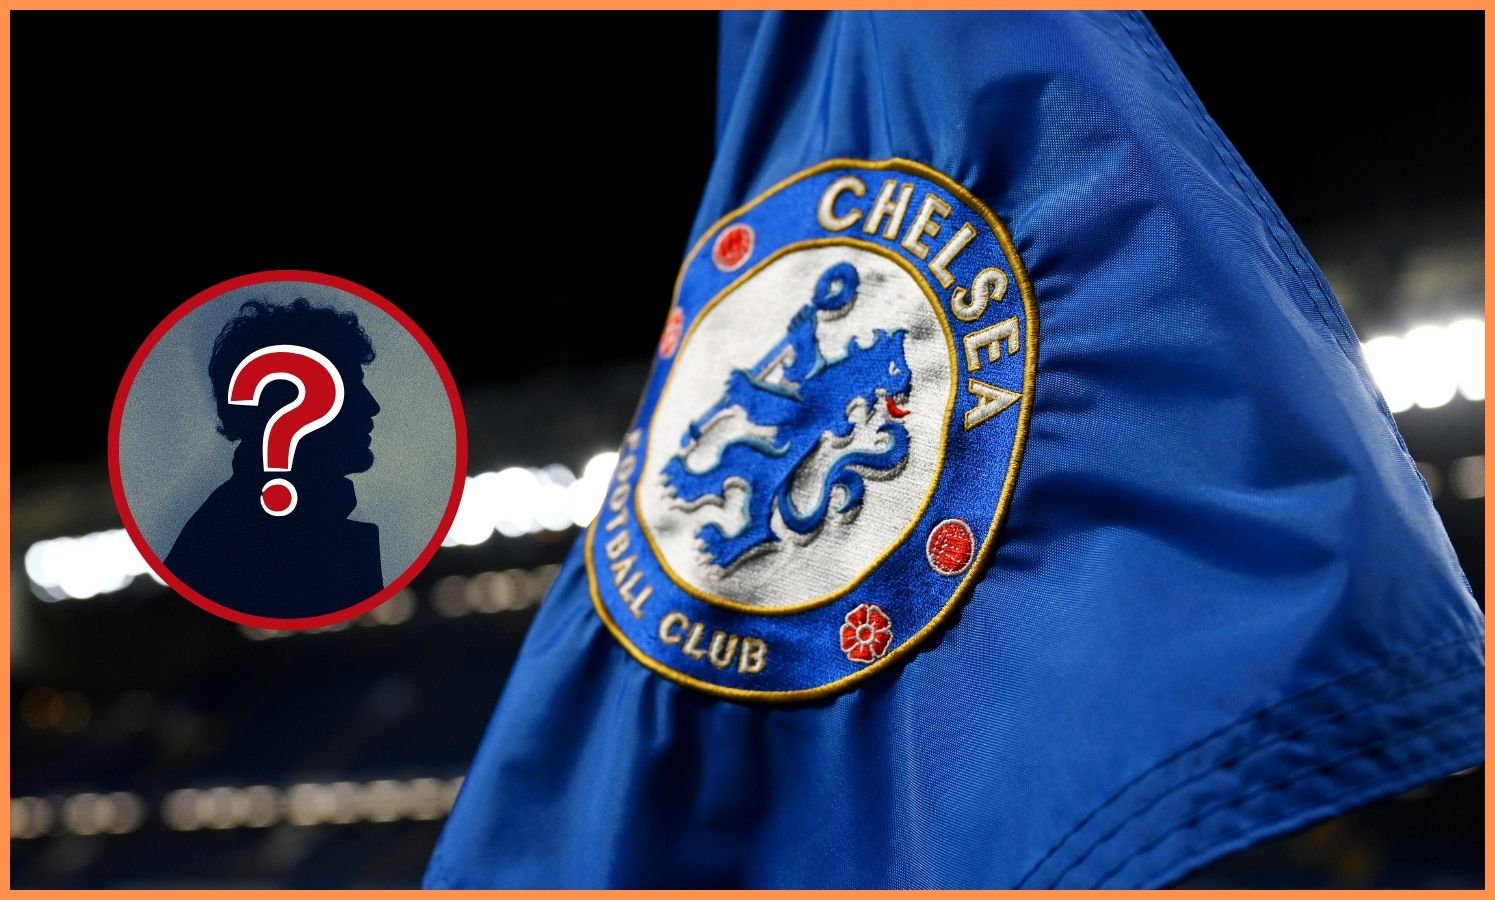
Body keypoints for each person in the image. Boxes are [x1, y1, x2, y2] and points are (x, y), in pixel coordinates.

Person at [164, 298, 383, 619]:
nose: (372, 406)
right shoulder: (250, 544)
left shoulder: (230, 528)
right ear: (290, 405)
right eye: (351, 387)